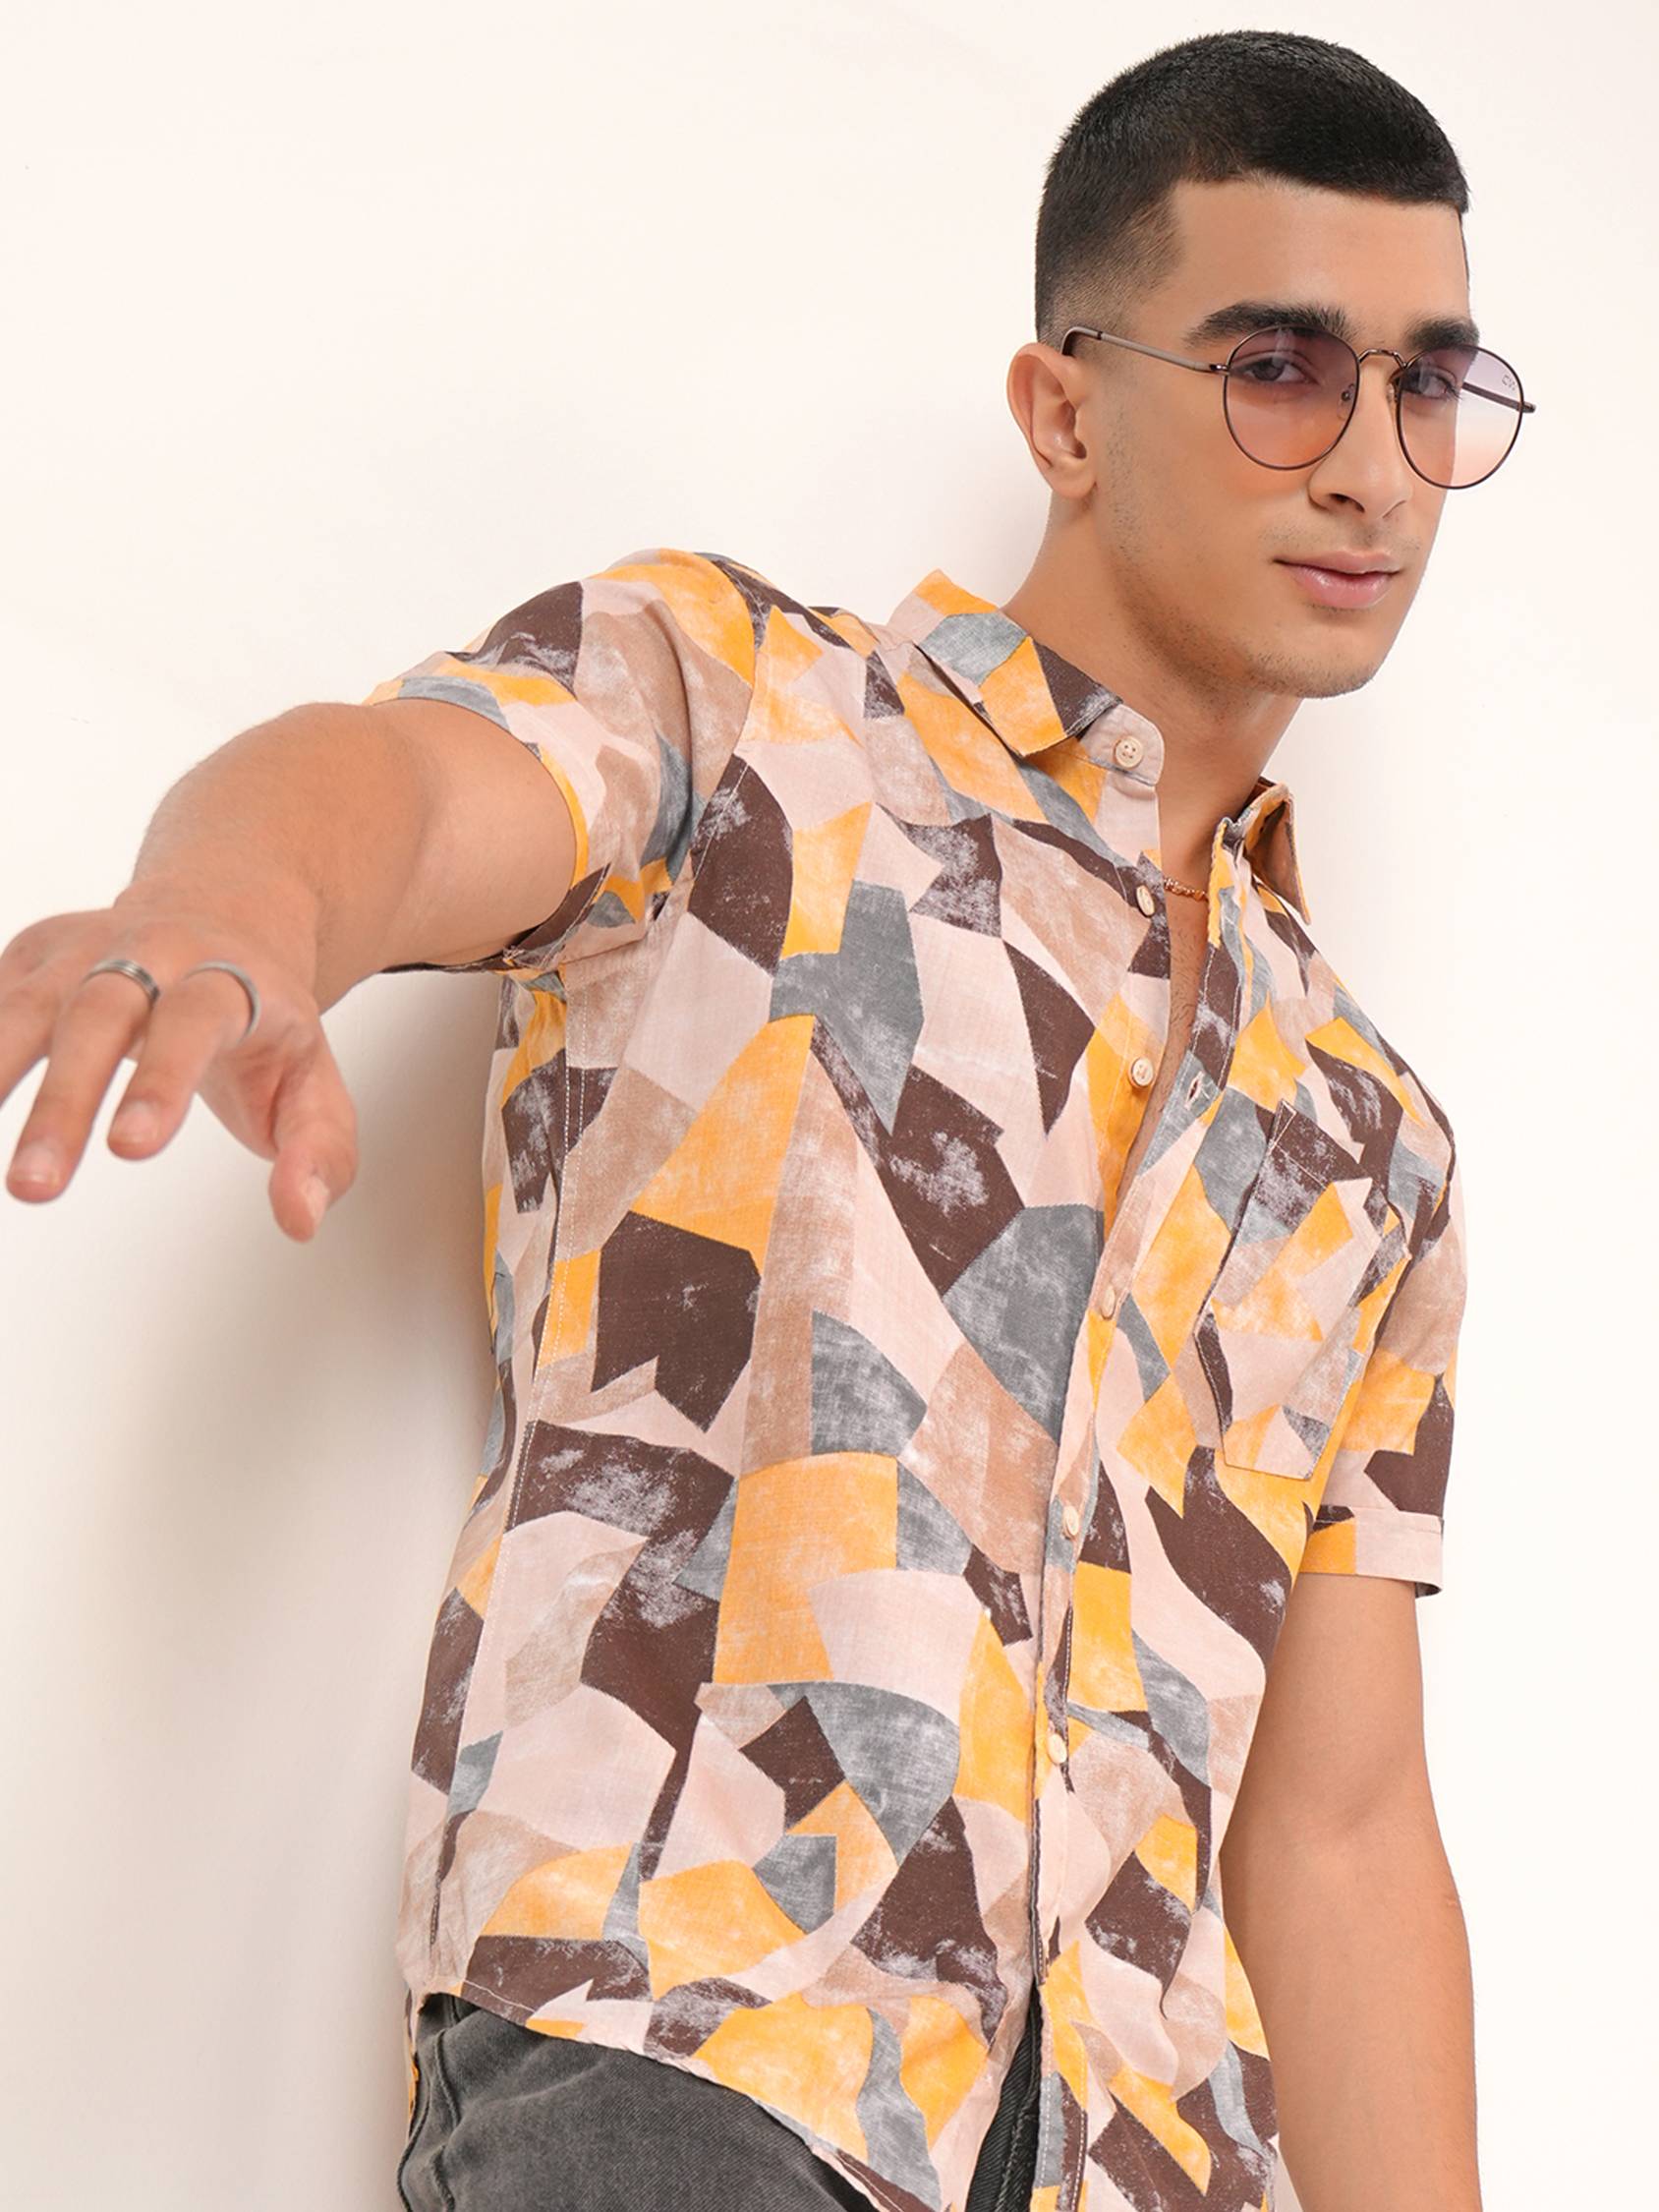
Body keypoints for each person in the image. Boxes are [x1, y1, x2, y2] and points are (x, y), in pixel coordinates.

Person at [0, 28, 1514, 2212]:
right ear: (1064, 411)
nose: (1373, 466)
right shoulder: (755, 719)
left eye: (1428, 385)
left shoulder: (1367, 1136)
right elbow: (400, 782)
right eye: (1279, 367)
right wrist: (237, 903)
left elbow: (1346, 1833)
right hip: (702, 2067)